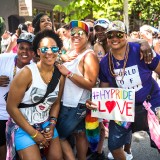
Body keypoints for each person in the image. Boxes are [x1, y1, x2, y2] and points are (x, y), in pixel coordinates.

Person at [87, 20, 160, 160]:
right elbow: (104, 90)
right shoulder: (104, 62)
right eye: (111, 35)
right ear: (107, 39)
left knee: (159, 141)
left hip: (152, 102)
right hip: (124, 108)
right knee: (114, 146)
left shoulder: (140, 50)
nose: (115, 38)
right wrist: (96, 102)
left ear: (125, 36)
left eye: (119, 34)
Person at [6, 29, 64, 160]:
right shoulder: (27, 73)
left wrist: (52, 124)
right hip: (22, 126)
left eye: (53, 49)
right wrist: (34, 134)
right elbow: (11, 107)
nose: (49, 52)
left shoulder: (59, 76)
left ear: (58, 51)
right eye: (44, 49)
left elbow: (55, 103)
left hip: (45, 124)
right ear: (38, 52)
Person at [56, 20, 99, 160]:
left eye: (80, 33)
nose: (76, 35)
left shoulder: (89, 55)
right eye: (73, 33)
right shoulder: (71, 52)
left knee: (58, 136)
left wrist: (68, 73)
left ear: (87, 36)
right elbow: (57, 55)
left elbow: (91, 83)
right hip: (73, 103)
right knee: (80, 134)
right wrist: (62, 56)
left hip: (73, 105)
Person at [0, 32, 35, 160]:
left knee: (21, 150)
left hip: (23, 116)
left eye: (30, 49)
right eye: (22, 48)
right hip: (2, 114)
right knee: (2, 147)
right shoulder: (3, 59)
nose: (25, 52)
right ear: (17, 48)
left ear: (34, 52)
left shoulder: (35, 67)